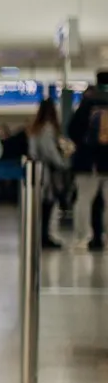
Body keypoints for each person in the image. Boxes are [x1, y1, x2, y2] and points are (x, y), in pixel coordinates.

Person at [66, 71, 108, 250]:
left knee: (83, 199)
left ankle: (83, 236)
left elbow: (72, 129)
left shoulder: (88, 101)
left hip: (87, 162)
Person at [28, 98, 72, 249]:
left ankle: (40, 236)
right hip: (47, 172)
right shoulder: (48, 128)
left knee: (40, 207)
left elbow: (32, 151)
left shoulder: (35, 129)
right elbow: (49, 151)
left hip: (35, 170)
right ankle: (44, 237)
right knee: (47, 206)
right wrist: (63, 163)